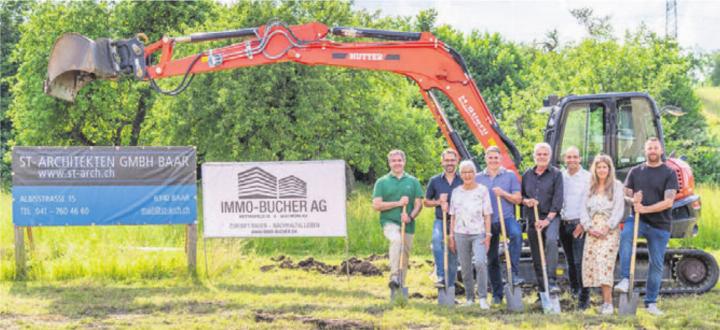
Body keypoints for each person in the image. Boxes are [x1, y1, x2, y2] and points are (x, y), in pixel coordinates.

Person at [614, 138, 679, 316]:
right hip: (637, 220)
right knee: (626, 236)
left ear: (661, 150)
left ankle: (651, 303)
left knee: (656, 263)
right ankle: (626, 279)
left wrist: (645, 208)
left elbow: (668, 201)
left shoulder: (669, 172)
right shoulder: (636, 171)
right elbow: (625, 194)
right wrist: (632, 200)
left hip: (660, 224)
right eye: (649, 147)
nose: (652, 150)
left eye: (655, 148)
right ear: (645, 150)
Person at [475, 146, 524, 305]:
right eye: (490, 158)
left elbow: (518, 199)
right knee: (492, 258)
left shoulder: (510, 176)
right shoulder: (478, 178)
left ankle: (514, 272)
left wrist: (503, 193)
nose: (493, 160)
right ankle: (497, 294)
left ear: (500, 159)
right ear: (486, 159)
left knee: (516, 234)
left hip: (506, 218)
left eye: (496, 158)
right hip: (488, 222)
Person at [372, 149, 424, 290]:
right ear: (389, 163)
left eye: (399, 160)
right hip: (389, 222)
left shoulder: (413, 181)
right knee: (396, 240)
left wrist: (410, 216)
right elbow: (376, 205)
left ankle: (399, 286)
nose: (397, 163)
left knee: (404, 256)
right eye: (394, 161)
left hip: (408, 225)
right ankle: (394, 275)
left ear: (404, 162)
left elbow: (419, 204)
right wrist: (398, 203)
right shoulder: (381, 182)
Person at [580, 154, 625, 315]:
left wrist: (607, 227)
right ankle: (602, 301)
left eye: (604, 167)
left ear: (609, 169)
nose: (601, 170)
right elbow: (582, 209)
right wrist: (589, 227)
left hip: (609, 230)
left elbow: (619, 209)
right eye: (599, 167)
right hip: (592, 228)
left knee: (604, 263)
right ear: (595, 169)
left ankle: (608, 303)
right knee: (593, 265)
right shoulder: (589, 186)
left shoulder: (617, 186)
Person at [449, 160, 492, 309]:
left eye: (470, 172)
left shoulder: (482, 190)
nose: (467, 175)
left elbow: (487, 215)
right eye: (464, 172)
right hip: (460, 234)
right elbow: (452, 216)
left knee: (480, 262)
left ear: (475, 174)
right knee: (466, 267)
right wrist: (451, 236)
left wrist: (488, 235)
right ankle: (469, 298)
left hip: (478, 233)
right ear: (461, 174)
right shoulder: (456, 192)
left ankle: (482, 298)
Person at [522, 142, 563, 296]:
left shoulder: (556, 174)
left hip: (550, 217)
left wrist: (546, 221)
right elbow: (522, 196)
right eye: (539, 154)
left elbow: (558, 200)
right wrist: (527, 201)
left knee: (551, 241)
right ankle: (542, 291)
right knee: (536, 254)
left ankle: (551, 281)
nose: (542, 157)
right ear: (534, 156)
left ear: (549, 156)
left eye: (545, 154)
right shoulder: (527, 174)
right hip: (533, 218)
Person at [424, 149, 462, 290]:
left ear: (457, 161)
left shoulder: (463, 179)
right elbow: (426, 202)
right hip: (441, 219)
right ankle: (440, 275)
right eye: (446, 160)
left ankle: (450, 284)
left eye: (452, 160)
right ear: (442, 162)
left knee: (453, 251)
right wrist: (439, 202)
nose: (449, 163)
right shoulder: (434, 181)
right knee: (436, 240)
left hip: (458, 221)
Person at [559, 146, 591, 309]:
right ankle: (574, 291)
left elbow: (590, 203)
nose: (571, 160)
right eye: (568, 157)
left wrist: (583, 224)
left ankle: (584, 298)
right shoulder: (561, 176)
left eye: (575, 157)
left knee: (580, 262)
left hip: (579, 224)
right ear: (565, 159)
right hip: (563, 224)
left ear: (580, 159)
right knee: (570, 261)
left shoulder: (587, 177)